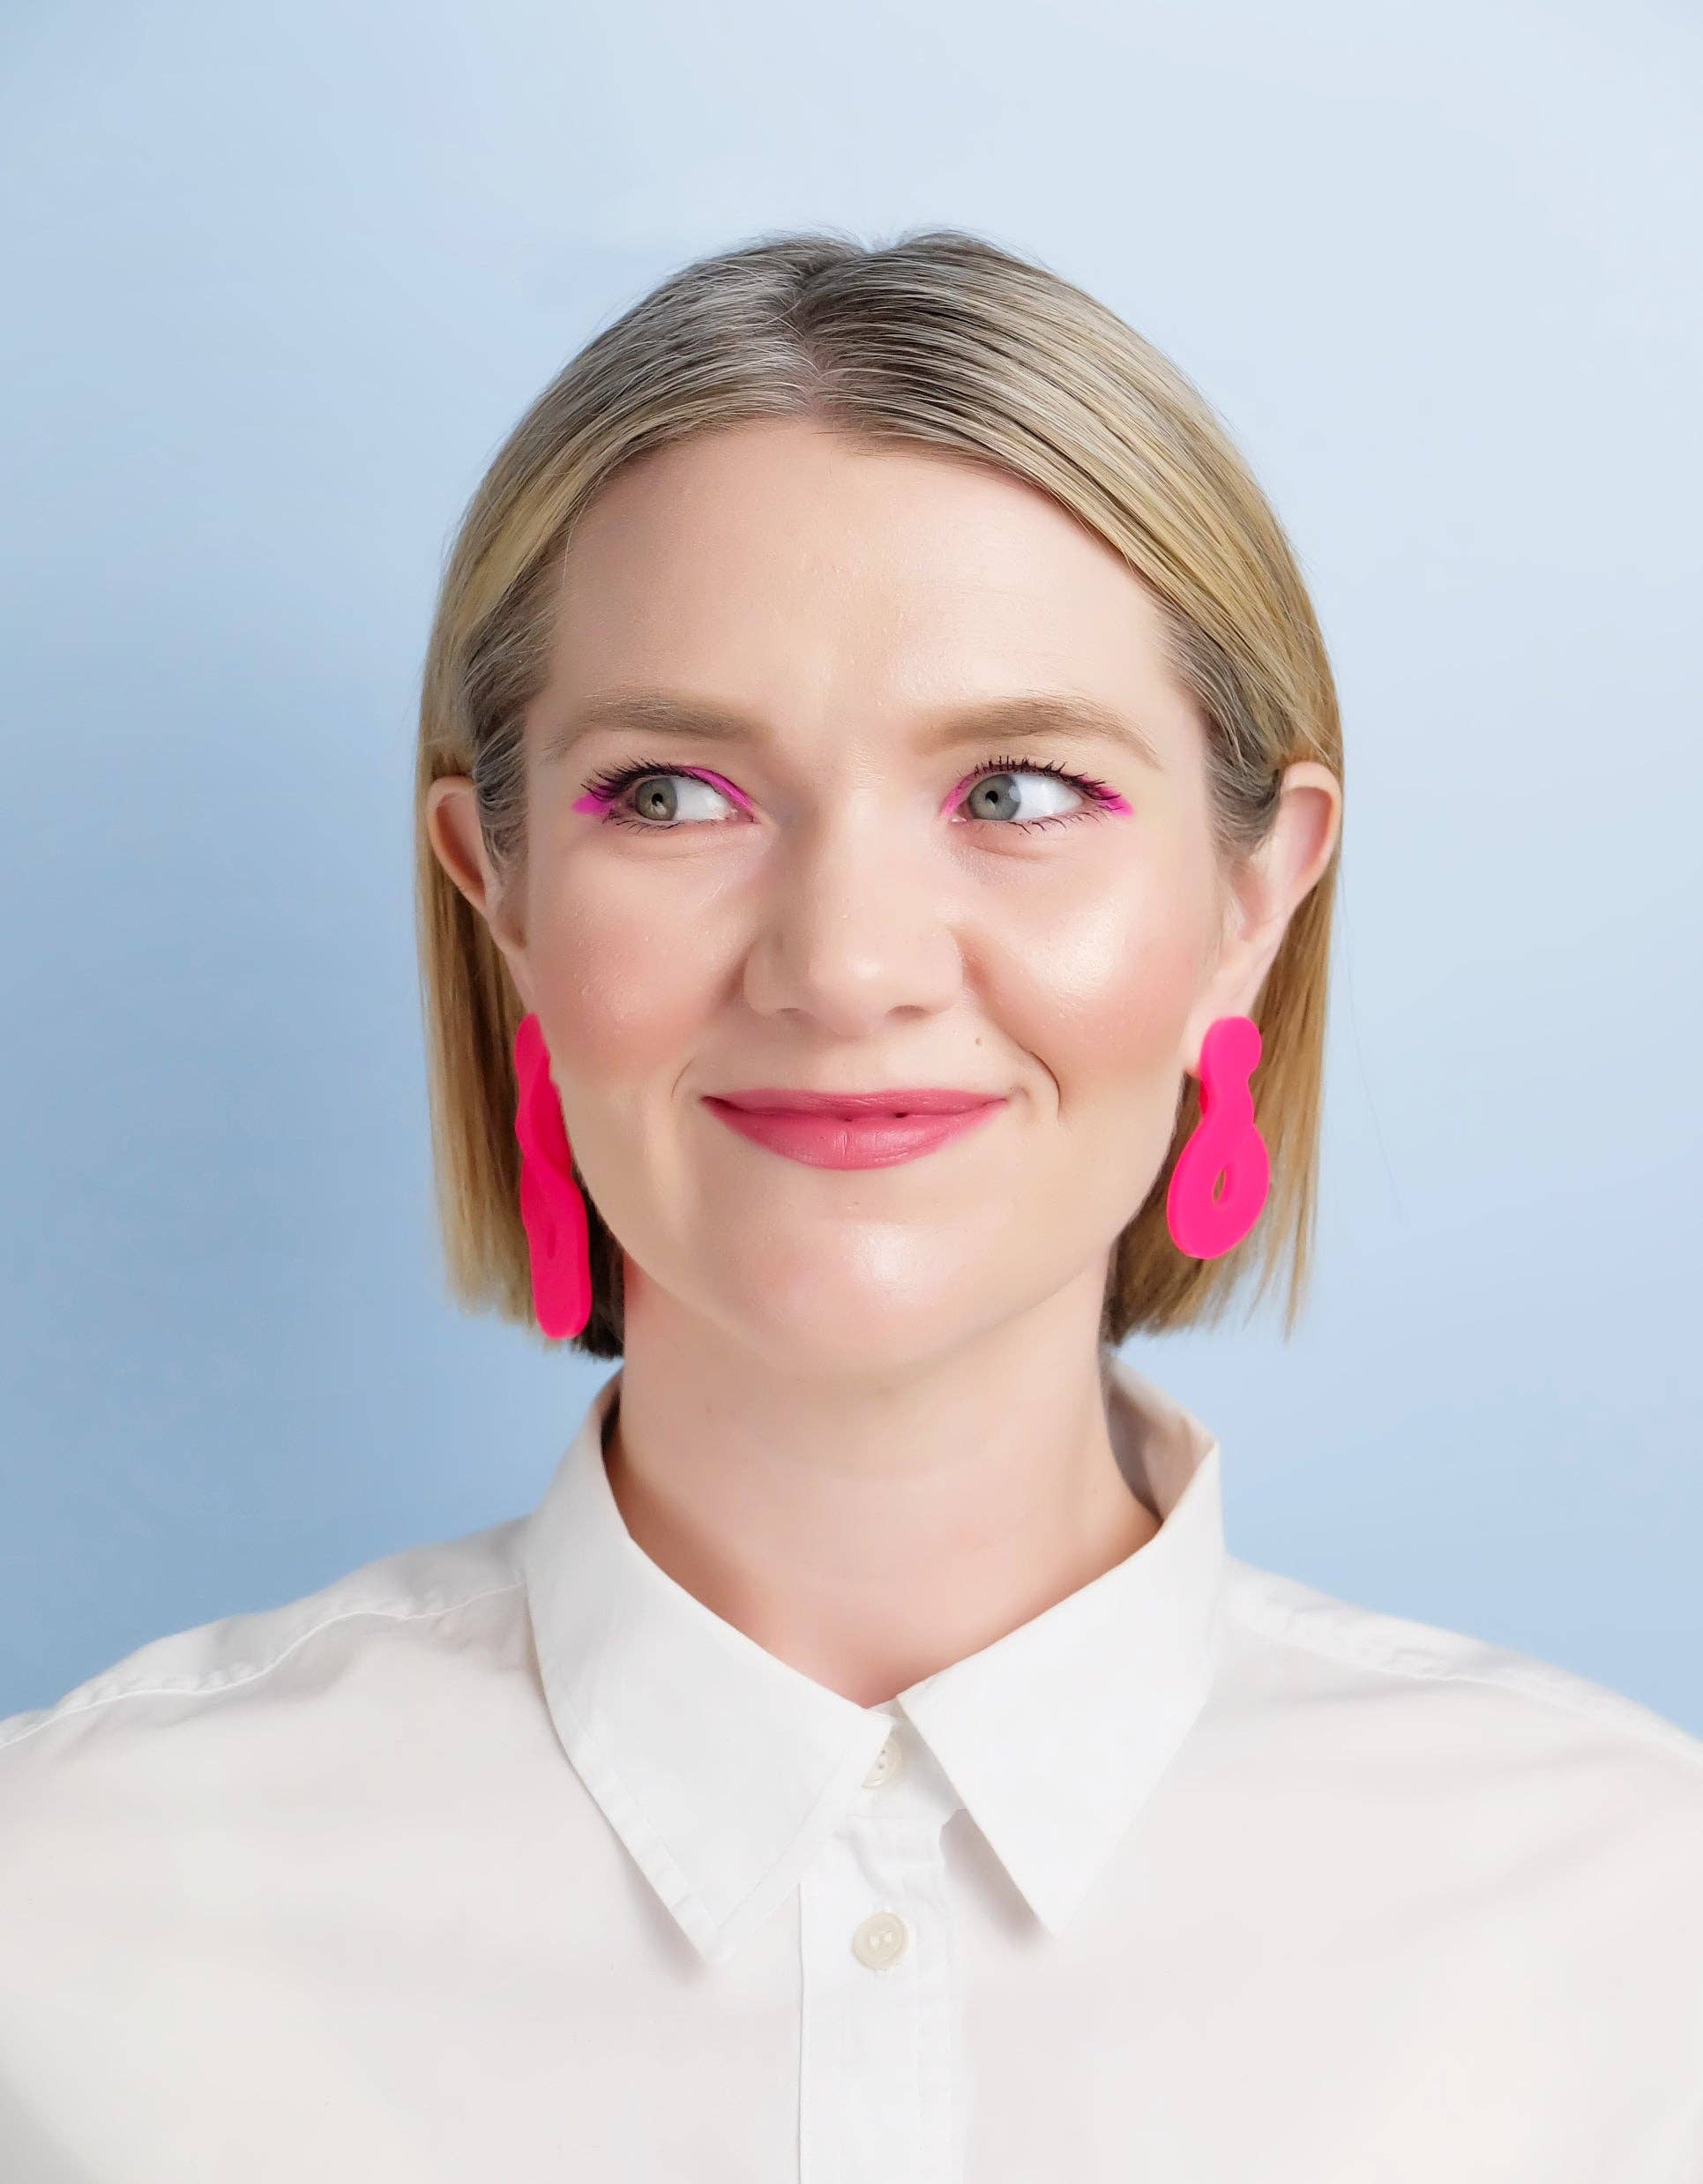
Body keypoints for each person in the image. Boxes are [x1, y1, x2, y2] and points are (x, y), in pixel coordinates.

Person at [2, 227, 1698, 2180]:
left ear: (1254, 899)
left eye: (1020, 790)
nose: (847, 965)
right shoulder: (63, 1916)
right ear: (501, 891)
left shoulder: (1640, 1935)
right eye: (671, 793)